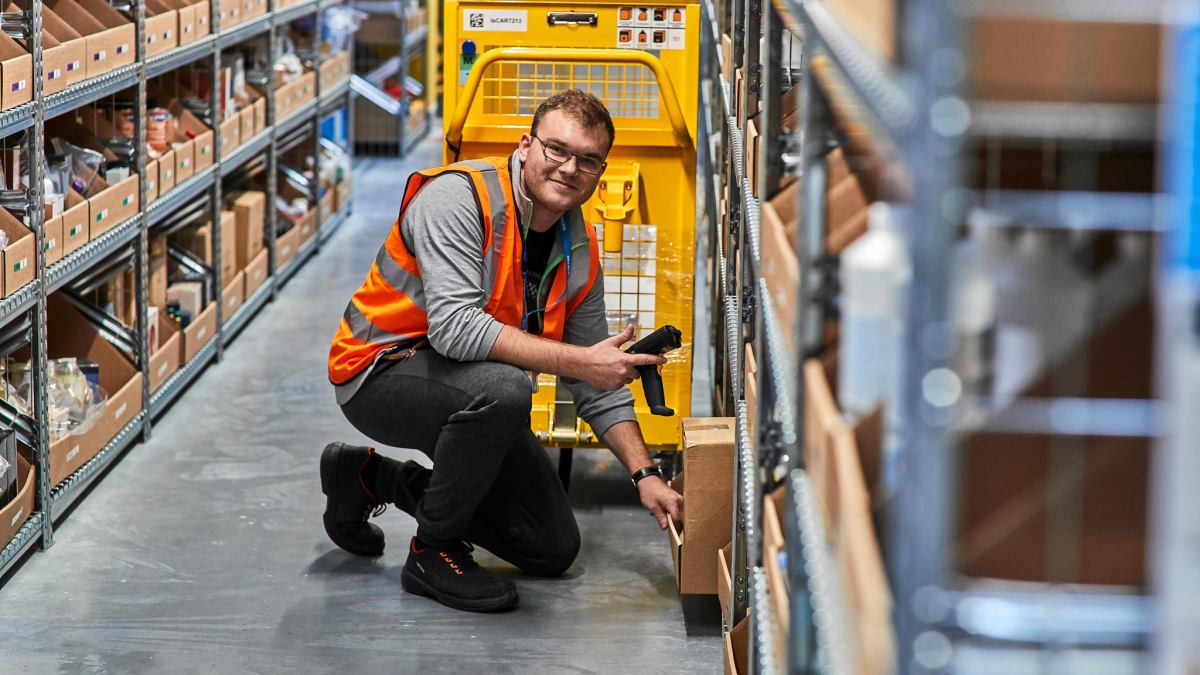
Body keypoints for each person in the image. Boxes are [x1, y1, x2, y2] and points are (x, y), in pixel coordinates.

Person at [322, 89, 684, 613]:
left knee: (549, 547)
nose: (569, 169)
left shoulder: (578, 248)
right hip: (379, 371)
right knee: (506, 388)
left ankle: (368, 477)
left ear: (600, 172)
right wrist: (584, 362)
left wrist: (645, 475)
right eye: (556, 149)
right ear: (525, 146)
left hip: (467, 385)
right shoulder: (460, 198)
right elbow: (454, 330)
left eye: (588, 160)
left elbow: (597, 386)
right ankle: (431, 551)